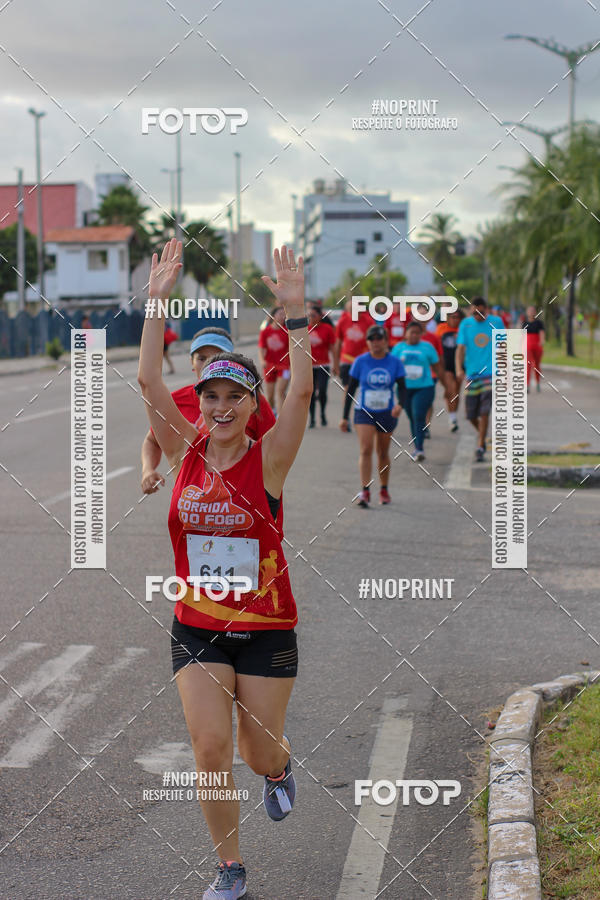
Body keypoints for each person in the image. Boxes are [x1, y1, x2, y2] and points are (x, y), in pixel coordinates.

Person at [138, 240, 312, 900]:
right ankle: (230, 869)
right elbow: (149, 382)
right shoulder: (183, 453)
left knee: (255, 753)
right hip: (197, 626)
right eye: (210, 395)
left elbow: (302, 390)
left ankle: (279, 767)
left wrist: (296, 314)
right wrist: (156, 304)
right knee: (209, 748)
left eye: (234, 396)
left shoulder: (269, 462)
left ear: (250, 403)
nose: (219, 406)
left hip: (266, 629)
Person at [140, 327, 276, 495]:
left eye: (217, 356)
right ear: (191, 362)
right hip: (192, 501)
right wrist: (148, 470)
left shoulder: (250, 402)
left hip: (244, 498)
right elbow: (152, 439)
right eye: (202, 358)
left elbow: (273, 450)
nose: (209, 364)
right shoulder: (175, 402)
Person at [339, 324, 406, 507]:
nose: (375, 343)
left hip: (386, 412)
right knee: (365, 449)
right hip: (364, 411)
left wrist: (400, 405)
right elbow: (351, 390)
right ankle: (365, 491)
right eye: (371, 339)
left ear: (386, 341)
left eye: (379, 339)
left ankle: (384, 489)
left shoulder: (394, 362)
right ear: (367, 342)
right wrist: (344, 417)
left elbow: (403, 388)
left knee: (382, 452)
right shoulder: (360, 361)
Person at [455, 297, 504, 462]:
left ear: (486, 310)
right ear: (471, 311)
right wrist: (459, 368)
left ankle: (480, 445)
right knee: (470, 415)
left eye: (481, 313)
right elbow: (460, 348)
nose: (478, 316)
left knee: (484, 412)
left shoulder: (496, 322)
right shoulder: (465, 324)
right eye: (474, 313)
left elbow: (503, 346)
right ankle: (483, 435)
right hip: (472, 374)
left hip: (491, 373)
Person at [391, 321, 447, 461]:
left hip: (424, 387)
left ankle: (420, 448)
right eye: (412, 332)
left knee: (418, 415)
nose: (414, 335)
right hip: (404, 389)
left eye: (417, 333)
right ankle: (417, 447)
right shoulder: (398, 348)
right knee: (412, 418)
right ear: (406, 333)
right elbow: (391, 369)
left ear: (421, 334)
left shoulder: (427, 347)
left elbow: (438, 368)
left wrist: (447, 387)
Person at [332, 300, 374, 432]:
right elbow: (338, 343)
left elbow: (375, 341)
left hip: (364, 361)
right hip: (347, 361)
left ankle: (368, 418)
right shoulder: (343, 321)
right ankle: (346, 418)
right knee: (348, 390)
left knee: (366, 389)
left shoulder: (368, 321)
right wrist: (336, 364)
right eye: (351, 309)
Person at [436, 308, 464, 432]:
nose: (455, 320)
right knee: (451, 390)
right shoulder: (441, 328)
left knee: (456, 392)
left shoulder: (463, 329)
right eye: (453, 317)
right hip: (446, 365)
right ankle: (452, 419)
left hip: (460, 365)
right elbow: (436, 346)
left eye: (457, 317)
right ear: (447, 318)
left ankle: (453, 414)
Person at [257, 306, 289, 414]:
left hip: (284, 366)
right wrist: (262, 361)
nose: (283, 316)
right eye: (280, 314)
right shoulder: (265, 331)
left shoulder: (287, 331)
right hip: (269, 366)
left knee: (281, 392)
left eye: (284, 314)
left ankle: (281, 417)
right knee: (270, 395)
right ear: (273, 316)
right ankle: (273, 412)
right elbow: (261, 348)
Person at [307, 304, 335, 427]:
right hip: (309, 366)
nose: (311, 318)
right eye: (309, 315)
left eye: (313, 315)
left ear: (320, 316)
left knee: (322, 391)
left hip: (323, 365)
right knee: (311, 393)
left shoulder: (327, 329)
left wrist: (336, 364)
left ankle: (322, 413)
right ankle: (312, 418)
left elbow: (333, 347)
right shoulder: (304, 329)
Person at [522, 306, 545, 393]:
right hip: (528, 346)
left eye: (532, 311)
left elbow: (542, 333)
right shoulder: (524, 323)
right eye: (529, 311)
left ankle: (538, 383)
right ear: (527, 312)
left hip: (537, 346)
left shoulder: (539, 323)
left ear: (535, 312)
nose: (531, 312)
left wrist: (542, 341)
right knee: (528, 366)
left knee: (536, 366)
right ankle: (527, 385)